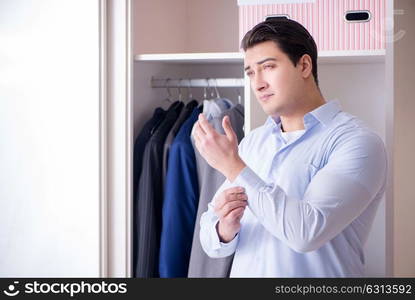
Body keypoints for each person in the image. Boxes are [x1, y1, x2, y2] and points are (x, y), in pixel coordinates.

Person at [192, 19, 387, 277]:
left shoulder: (358, 143)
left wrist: (233, 166)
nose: (257, 83)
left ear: (304, 65)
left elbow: (306, 234)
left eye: (268, 67)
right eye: (250, 72)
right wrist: (225, 230)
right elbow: (209, 236)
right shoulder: (253, 142)